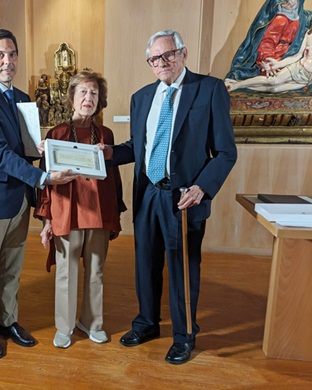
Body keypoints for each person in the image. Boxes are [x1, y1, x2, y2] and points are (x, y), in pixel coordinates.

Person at [100, 30, 237, 364]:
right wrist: (108, 153)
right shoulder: (142, 97)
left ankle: (184, 335)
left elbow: (225, 152)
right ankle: (147, 323)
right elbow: (139, 147)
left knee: (182, 268)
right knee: (145, 263)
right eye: (154, 59)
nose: (161, 63)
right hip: (148, 193)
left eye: (167, 55)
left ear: (183, 53)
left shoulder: (209, 89)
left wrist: (202, 187)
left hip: (184, 197)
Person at [0, 29, 77, 360]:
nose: (7, 60)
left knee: (12, 267)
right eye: (0, 54)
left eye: (12, 54)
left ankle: (8, 321)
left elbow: (22, 148)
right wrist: (43, 176)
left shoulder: (23, 98)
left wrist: (43, 151)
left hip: (18, 198)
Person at [34, 70, 126, 349]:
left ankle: (92, 322)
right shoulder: (56, 134)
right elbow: (45, 182)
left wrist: (115, 214)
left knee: (96, 270)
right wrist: (46, 220)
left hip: (98, 213)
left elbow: (114, 179)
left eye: (95, 93)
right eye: (83, 92)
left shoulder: (106, 134)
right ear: (72, 98)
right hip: (67, 212)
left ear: (101, 100)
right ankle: (65, 326)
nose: (89, 98)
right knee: (66, 271)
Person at [226, 0, 312, 81]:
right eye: (285, 0)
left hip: (295, 56)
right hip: (279, 56)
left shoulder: (303, 17)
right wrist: (269, 60)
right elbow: (267, 43)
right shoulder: (280, 19)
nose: (290, 2)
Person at [226, 22, 312, 92]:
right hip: (299, 68)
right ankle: (236, 85)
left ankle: (237, 84)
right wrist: (278, 64)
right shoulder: (308, 35)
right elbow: (297, 55)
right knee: (273, 81)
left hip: (307, 78)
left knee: (274, 89)